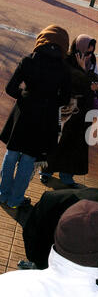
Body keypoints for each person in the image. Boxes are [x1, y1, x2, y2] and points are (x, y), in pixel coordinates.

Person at [0, 25, 71, 209]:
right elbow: (64, 98)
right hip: (44, 118)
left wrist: (25, 95)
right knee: (29, 159)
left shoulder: (29, 60)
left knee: (12, 153)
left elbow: (10, 88)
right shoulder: (64, 69)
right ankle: (16, 199)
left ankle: (2, 194)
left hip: (23, 113)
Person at [39, 34, 98, 187]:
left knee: (76, 144)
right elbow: (71, 81)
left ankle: (67, 174)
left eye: (92, 52)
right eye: (86, 52)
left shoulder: (92, 62)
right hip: (66, 107)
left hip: (84, 109)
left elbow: (96, 81)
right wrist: (83, 72)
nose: (89, 56)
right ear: (77, 49)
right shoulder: (67, 61)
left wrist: (97, 87)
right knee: (58, 141)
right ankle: (46, 170)